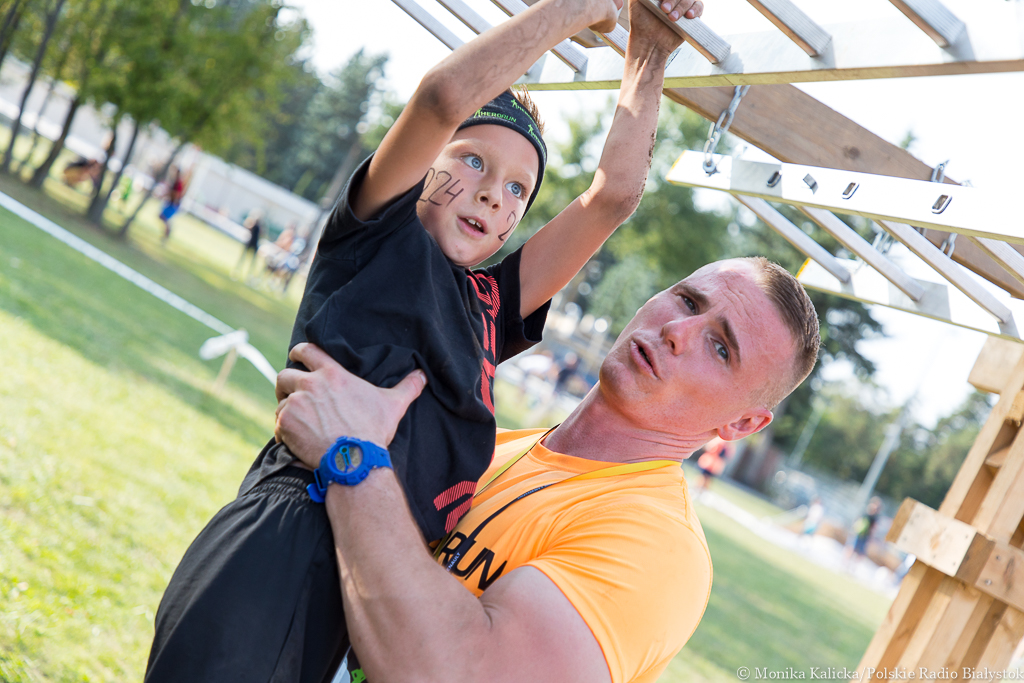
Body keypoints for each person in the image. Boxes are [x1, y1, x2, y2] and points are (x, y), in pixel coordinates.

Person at [145, 0, 697, 680]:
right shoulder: (375, 233)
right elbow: (441, 99)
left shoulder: (491, 306)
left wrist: (650, 47)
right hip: (289, 541)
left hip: (369, 585)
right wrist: (575, 9)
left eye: (518, 189)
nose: (493, 193)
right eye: (472, 160)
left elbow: (611, 197)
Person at [274, 255, 821, 683]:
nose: (678, 329)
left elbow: (458, 672)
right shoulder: (496, 449)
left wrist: (351, 456)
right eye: (686, 299)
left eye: (721, 348)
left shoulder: (663, 551)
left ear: (742, 423)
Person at [159, 166, 185, 244]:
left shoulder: (178, 183)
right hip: (171, 203)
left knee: (163, 217)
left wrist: (168, 195)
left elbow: (176, 194)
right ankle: (167, 232)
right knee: (163, 217)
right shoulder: (175, 182)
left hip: (173, 204)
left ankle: (167, 233)